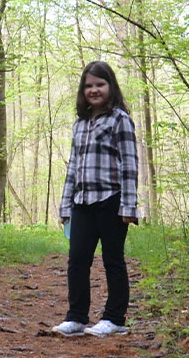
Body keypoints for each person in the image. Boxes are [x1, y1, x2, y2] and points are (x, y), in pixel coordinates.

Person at [52, 60, 140, 338]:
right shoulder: (81, 124)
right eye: (88, 85)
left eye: (100, 84)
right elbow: (73, 167)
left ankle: (115, 318)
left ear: (111, 87)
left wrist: (128, 205)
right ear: (82, 90)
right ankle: (76, 317)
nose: (94, 90)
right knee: (77, 260)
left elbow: (130, 165)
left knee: (113, 259)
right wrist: (66, 204)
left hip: (112, 201)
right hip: (82, 202)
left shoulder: (120, 120)